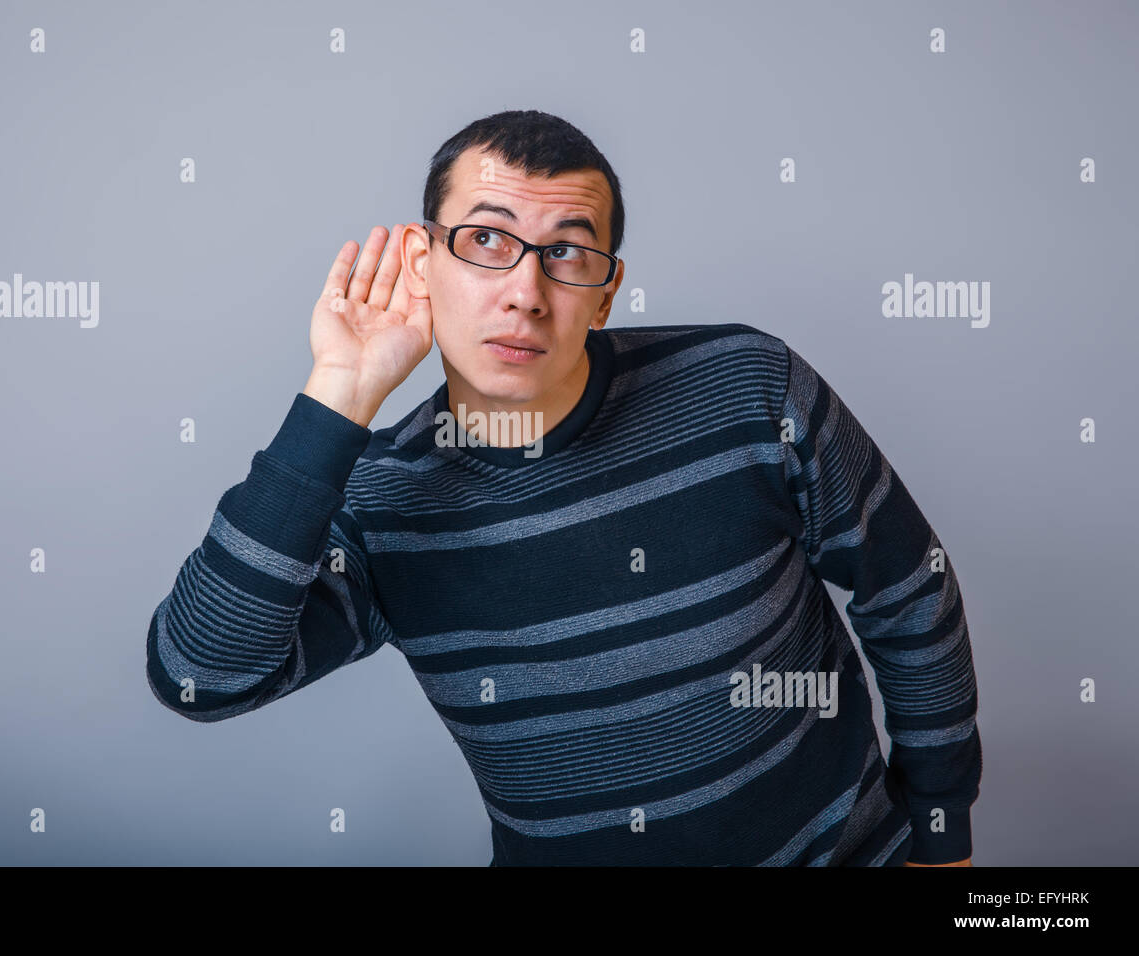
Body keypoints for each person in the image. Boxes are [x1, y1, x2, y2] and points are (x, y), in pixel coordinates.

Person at [145, 109, 981, 867]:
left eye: (568, 253)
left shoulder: (748, 385)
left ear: (606, 293)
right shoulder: (379, 504)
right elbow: (200, 675)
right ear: (421, 261)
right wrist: (341, 393)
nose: (524, 292)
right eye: (484, 241)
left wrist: (941, 836)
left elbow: (909, 590)